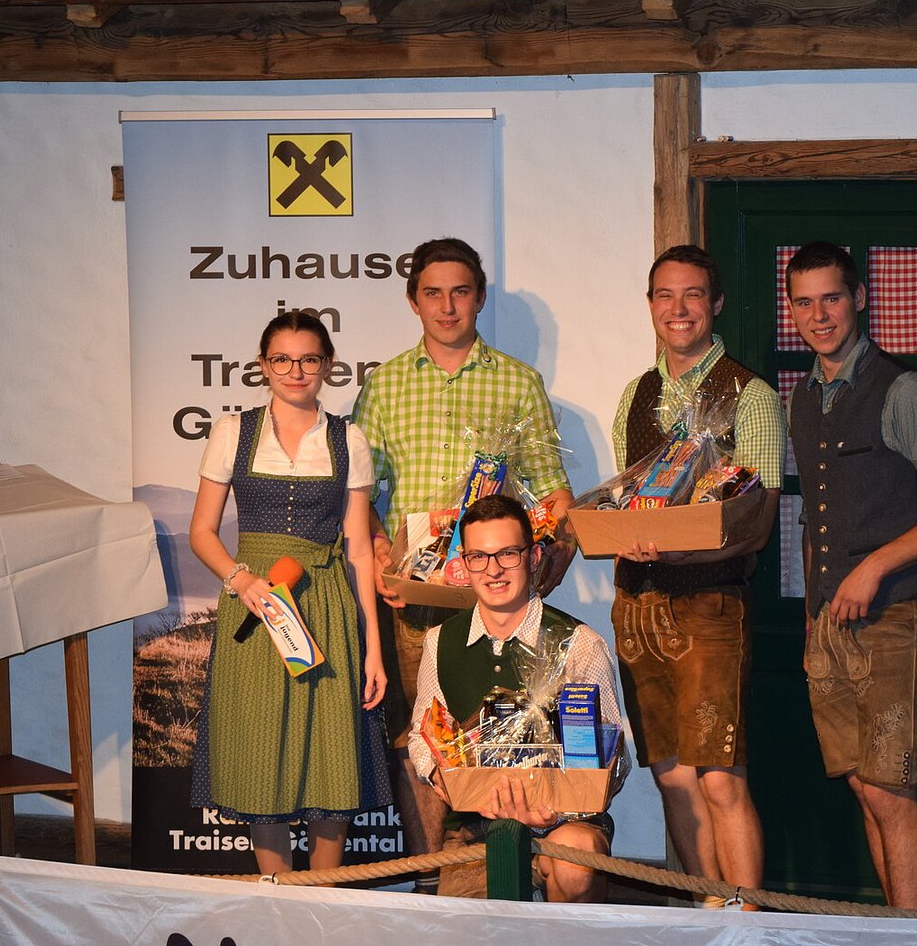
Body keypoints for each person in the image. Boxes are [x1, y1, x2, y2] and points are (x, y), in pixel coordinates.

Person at [353, 236, 575, 868]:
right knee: (420, 737)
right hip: (415, 597)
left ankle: (501, 869)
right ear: (413, 301)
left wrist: (552, 552)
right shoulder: (385, 386)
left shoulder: (518, 382)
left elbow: (553, 490)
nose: (447, 307)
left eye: (460, 292)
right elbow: (361, 493)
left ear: (479, 298)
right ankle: (430, 877)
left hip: (499, 594)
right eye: (433, 293)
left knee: (506, 726)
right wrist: (380, 549)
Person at [784, 241, 917, 911]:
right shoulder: (804, 396)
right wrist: (812, 617)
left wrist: (875, 565)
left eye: (832, 299)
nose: (820, 316)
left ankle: (915, 935)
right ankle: (893, 929)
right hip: (829, 626)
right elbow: (816, 517)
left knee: (891, 789)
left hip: (896, 616)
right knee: (865, 787)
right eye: (805, 303)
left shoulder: (903, 392)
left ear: (861, 299)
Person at [609, 244, 783, 905]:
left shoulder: (752, 395)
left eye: (692, 295)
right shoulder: (635, 394)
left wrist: (685, 555)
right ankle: (706, 909)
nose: (678, 309)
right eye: (665, 295)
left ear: (715, 304)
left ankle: (747, 921)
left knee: (719, 777)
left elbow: (757, 522)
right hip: (637, 605)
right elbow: (627, 500)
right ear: (650, 305)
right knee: (672, 776)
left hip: (711, 604)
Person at [188, 310, 390, 876]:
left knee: (332, 753)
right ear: (263, 365)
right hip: (257, 606)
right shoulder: (232, 432)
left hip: (326, 606)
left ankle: (321, 898)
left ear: (327, 365)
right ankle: (275, 891)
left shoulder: (349, 439)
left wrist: (373, 647)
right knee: (261, 750)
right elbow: (201, 531)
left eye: (308, 359)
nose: (295, 371)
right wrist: (241, 579)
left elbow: (358, 550)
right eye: (282, 359)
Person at [406, 494, 624, 902]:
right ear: (463, 563)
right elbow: (422, 735)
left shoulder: (580, 643)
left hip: (566, 824)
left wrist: (555, 809)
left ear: (533, 556)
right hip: (475, 831)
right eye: (479, 557)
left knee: (575, 864)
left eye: (507, 553)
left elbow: (610, 755)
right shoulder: (440, 642)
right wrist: (443, 779)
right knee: (472, 924)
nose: (493, 570)